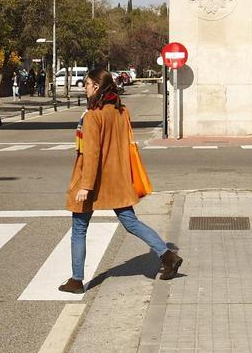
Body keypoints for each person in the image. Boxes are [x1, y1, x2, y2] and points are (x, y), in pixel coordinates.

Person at [59, 69, 182, 294]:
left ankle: (76, 280)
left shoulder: (93, 115)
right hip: (116, 177)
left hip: (94, 180)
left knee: (79, 227)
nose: (84, 88)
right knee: (130, 221)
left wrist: (85, 185)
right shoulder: (120, 111)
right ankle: (167, 256)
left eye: (87, 84)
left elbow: (92, 153)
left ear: (96, 87)